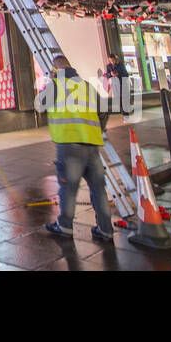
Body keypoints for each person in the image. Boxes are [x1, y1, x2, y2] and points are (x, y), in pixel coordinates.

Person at [42, 55, 114, 242]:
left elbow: (40, 104)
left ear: (56, 70)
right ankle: (106, 229)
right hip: (91, 144)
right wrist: (99, 128)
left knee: (68, 188)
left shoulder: (56, 86)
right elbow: (103, 111)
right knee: (99, 189)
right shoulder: (86, 86)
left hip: (69, 145)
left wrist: (52, 82)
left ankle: (65, 225)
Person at [101, 54, 131, 128]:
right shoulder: (109, 66)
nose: (112, 62)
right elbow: (106, 75)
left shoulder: (120, 64)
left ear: (115, 59)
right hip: (115, 85)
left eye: (112, 60)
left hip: (122, 84)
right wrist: (110, 74)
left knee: (123, 100)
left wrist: (118, 74)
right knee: (119, 101)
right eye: (110, 61)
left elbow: (126, 74)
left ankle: (126, 115)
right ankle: (124, 114)